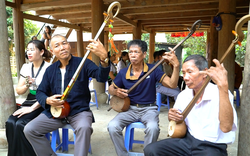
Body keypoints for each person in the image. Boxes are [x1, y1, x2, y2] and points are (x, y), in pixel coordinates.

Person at [24, 34, 110, 156]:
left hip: (78, 111)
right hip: (56, 112)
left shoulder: (83, 63)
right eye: (57, 45)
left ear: (69, 45)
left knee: (84, 128)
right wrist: (48, 100)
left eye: (64, 43)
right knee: (30, 129)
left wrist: (104, 58)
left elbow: (101, 77)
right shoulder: (50, 70)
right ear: (52, 51)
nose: (62, 47)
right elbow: (40, 92)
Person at [144, 55, 237, 156]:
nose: (185, 77)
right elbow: (177, 120)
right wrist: (172, 117)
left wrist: (223, 86)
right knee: (151, 150)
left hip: (212, 146)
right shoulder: (183, 95)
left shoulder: (221, 93)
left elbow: (226, 127)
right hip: (187, 141)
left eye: (190, 72)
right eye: (183, 73)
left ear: (205, 72)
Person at [108, 39, 180, 156]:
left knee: (153, 128)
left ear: (144, 54)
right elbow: (111, 88)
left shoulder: (153, 69)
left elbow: (172, 84)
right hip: (129, 109)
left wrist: (176, 66)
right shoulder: (124, 72)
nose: (132, 55)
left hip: (149, 109)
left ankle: (148, 154)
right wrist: (116, 92)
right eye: (130, 52)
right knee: (112, 126)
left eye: (136, 52)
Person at [6, 40, 51, 156]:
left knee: (21, 123)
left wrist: (32, 108)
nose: (29, 52)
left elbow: (49, 93)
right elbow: (19, 91)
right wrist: (27, 84)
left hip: (43, 101)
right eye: (28, 50)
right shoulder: (26, 67)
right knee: (10, 122)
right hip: (29, 99)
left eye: (32, 49)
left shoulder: (49, 68)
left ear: (41, 52)